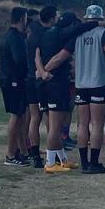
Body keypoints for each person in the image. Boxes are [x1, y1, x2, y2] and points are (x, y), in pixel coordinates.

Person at [42, 5, 105, 174]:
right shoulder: (103, 34)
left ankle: (84, 162)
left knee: (82, 124)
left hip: (81, 85)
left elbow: (61, 56)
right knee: (97, 124)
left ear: (86, 18)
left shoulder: (76, 35)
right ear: (101, 18)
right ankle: (94, 162)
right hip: (99, 83)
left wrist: (43, 69)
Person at [35, 10, 87, 173]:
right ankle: (50, 163)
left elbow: (36, 54)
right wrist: (45, 71)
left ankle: (62, 159)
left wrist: (41, 71)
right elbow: (60, 58)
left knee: (53, 125)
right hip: (56, 83)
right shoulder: (66, 39)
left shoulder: (44, 34)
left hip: (43, 84)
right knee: (56, 126)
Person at [25, 6, 58, 168]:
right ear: (51, 18)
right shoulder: (48, 34)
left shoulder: (31, 35)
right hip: (43, 79)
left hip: (30, 78)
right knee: (49, 117)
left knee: (34, 117)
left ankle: (35, 154)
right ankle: (53, 153)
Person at [0, 7, 30, 166]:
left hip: (14, 80)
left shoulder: (13, 36)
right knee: (16, 116)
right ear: (21, 19)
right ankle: (10, 154)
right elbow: (20, 60)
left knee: (22, 116)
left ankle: (23, 151)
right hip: (13, 81)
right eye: (25, 18)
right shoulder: (14, 37)